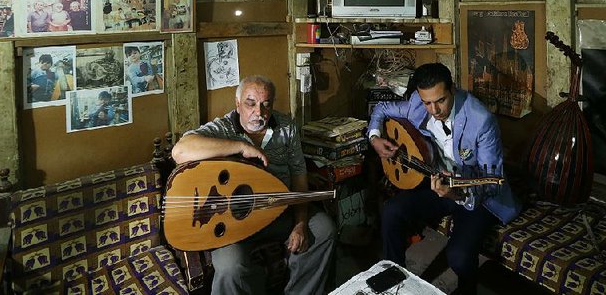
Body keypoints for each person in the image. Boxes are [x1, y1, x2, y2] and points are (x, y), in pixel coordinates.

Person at [172, 75, 336, 295]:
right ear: (238, 104)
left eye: (266, 104)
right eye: (250, 103)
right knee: (230, 266)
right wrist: (240, 147)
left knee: (323, 229)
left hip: (277, 210)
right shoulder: (223, 128)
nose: (259, 112)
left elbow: (298, 176)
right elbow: (179, 151)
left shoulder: (286, 126)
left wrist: (300, 223)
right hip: (233, 221)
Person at [368, 62, 521, 295]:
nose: (434, 110)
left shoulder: (480, 120)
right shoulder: (418, 106)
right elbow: (381, 109)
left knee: (458, 257)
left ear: (452, 90)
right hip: (438, 182)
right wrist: (375, 138)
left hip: (477, 196)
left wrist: (455, 192)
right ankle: (394, 279)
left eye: (440, 100)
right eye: (427, 102)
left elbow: (491, 180)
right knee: (392, 211)